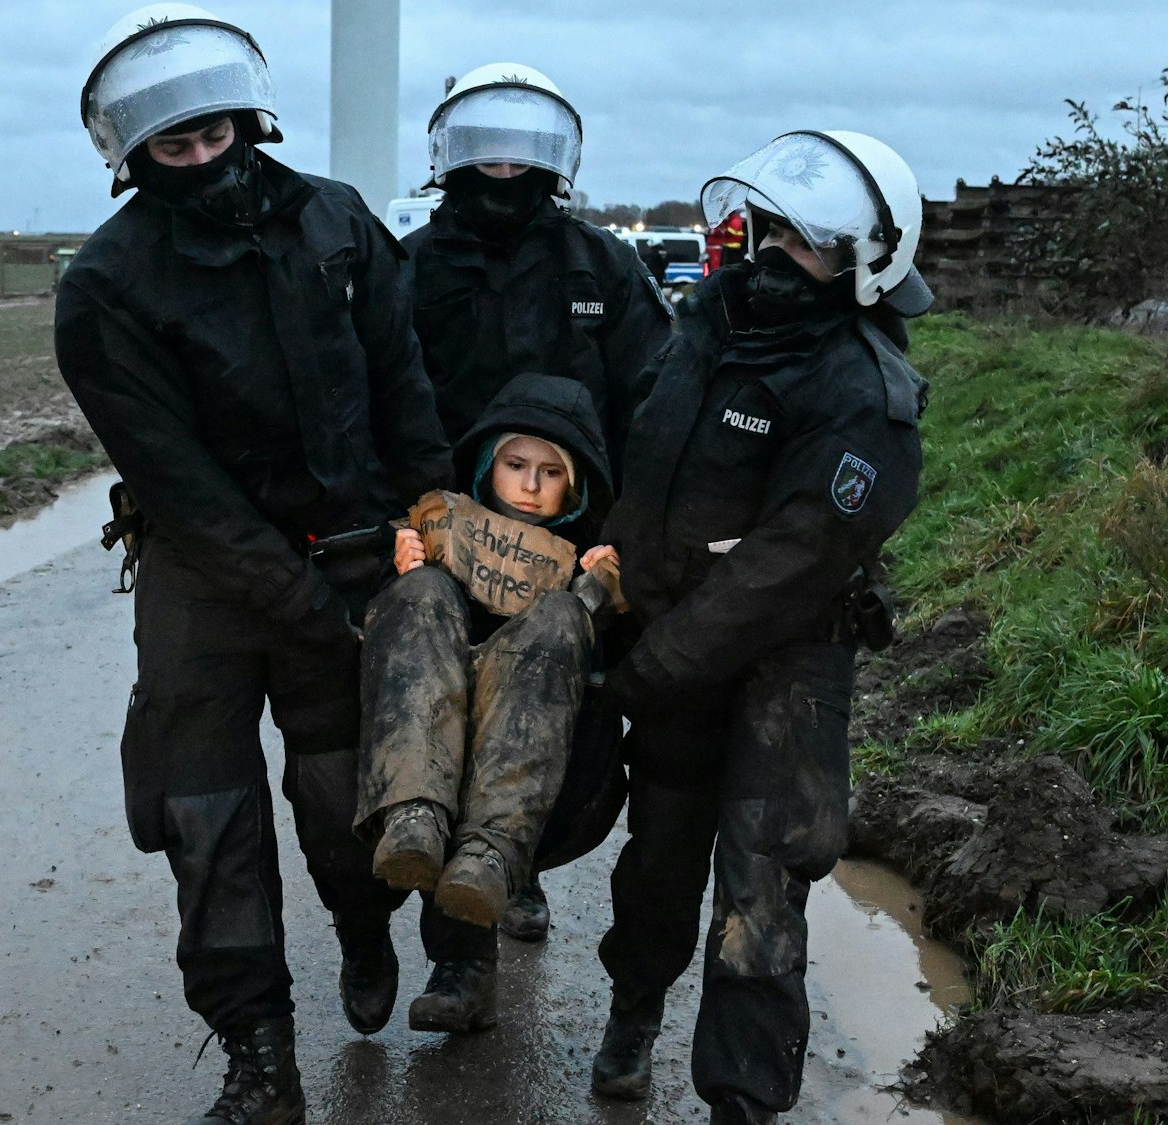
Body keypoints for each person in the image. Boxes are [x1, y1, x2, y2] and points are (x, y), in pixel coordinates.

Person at [53, 7, 452, 1123]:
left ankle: (363, 929)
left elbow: (399, 376)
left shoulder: (335, 223)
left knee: (338, 794)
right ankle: (256, 1050)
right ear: (132, 158)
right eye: (169, 149)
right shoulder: (106, 286)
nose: (197, 160)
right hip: (202, 577)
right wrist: (288, 595)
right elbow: (172, 474)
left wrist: (433, 514)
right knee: (205, 812)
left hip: (351, 549)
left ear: (245, 118)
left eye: (210, 136)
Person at [587, 130, 934, 1124]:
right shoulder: (705, 326)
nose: (778, 251)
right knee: (656, 852)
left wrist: (653, 666)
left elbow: (790, 565)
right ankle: (633, 1008)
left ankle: (740, 1097)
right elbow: (643, 476)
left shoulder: (865, 392)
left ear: (866, 263)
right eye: (771, 226)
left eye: (809, 241)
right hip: (664, 646)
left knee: (762, 878)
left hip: (787, 665)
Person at [401, 59, 673, 954]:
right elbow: (377, 394)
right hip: (449, 539)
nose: (505, 170)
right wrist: (407, 518)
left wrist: (627, 541)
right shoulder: (414, 268)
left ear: (556, 159)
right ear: (451, 154)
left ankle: (519, 867)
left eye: (526, 154)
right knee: (442, 718)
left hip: (569, 549)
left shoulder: (605, 265)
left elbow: (653, 404)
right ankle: (455, 961)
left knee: (556, 720)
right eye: (488, 151)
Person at [356, 373, 624, 1032]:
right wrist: (402, 560)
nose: (530, 485)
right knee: (419, 595)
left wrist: (607, 596)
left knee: (561, 614)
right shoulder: (439, 522)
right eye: (515, 465)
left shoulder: (587, 554)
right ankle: (414, 817)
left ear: (575, 484)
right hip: (427, 744)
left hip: (536, 768)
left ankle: (491, 855)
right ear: (487, 466)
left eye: (550, 471)